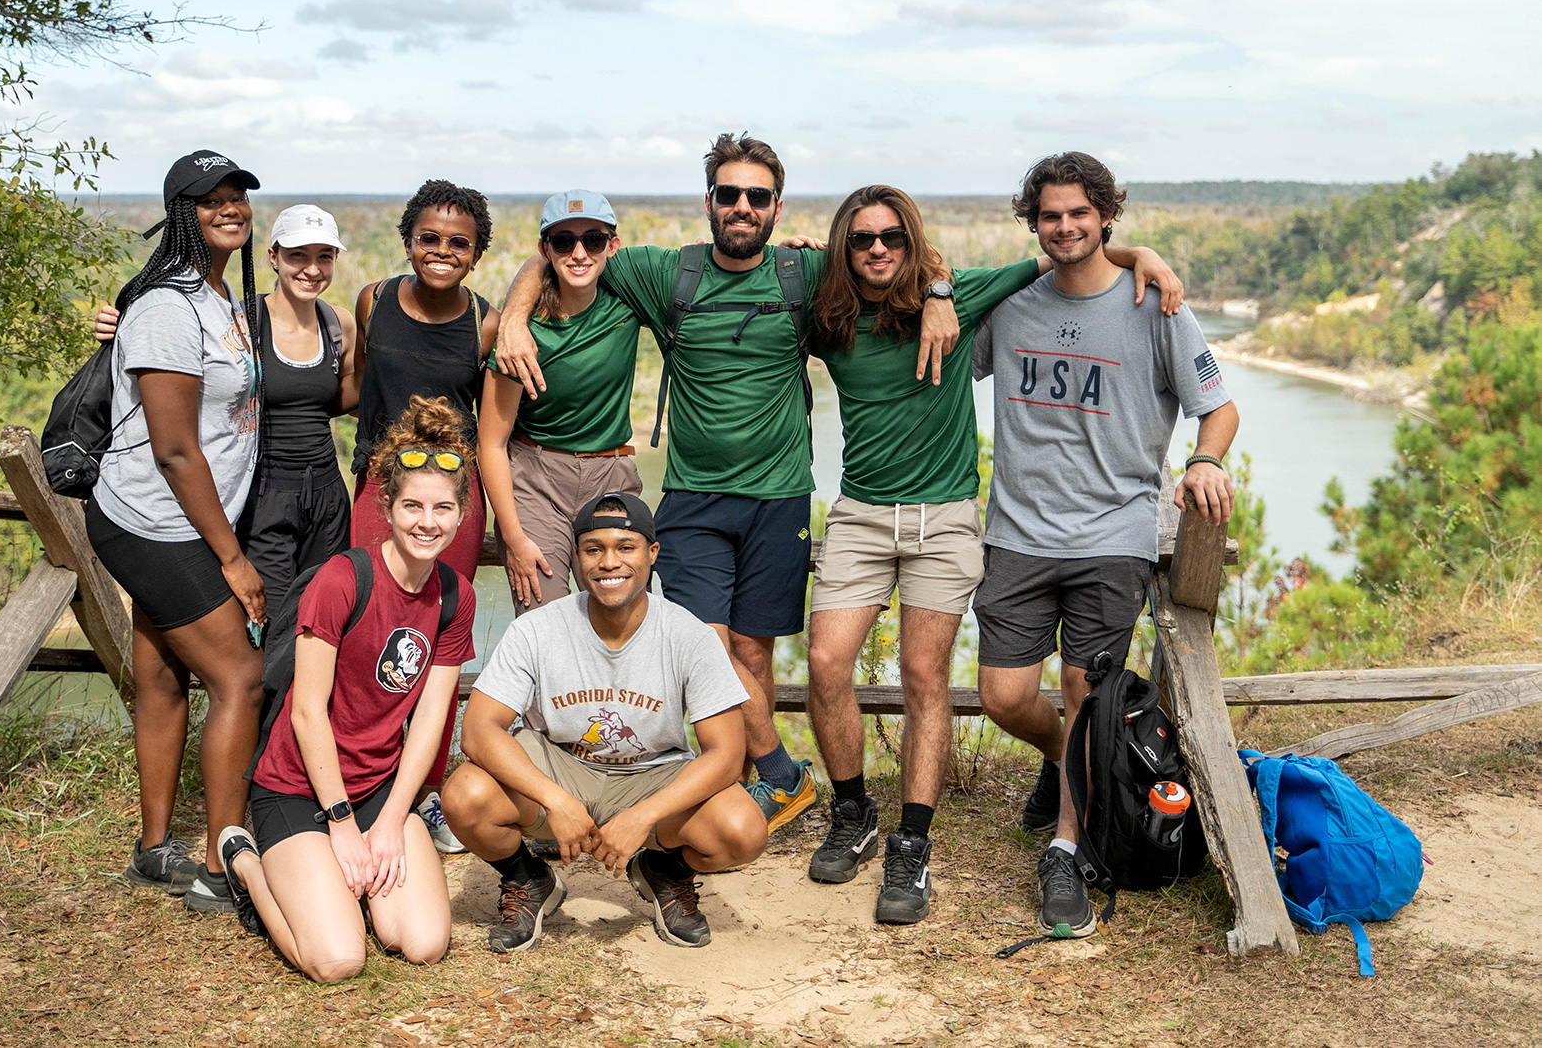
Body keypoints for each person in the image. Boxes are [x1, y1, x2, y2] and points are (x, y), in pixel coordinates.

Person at [494, 133, 962, 836]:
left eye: (757, 196)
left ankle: (742, 792)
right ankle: (780, 773)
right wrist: (512, 318)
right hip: (691, 496)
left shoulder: (803, 274)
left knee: (751, 653)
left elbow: (897, 249)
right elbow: (558, 254)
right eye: (729, 194)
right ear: (708, 201)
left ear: (776, 206)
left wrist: (939, 293)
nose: (742, 207)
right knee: (705, 649)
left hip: (778, 496)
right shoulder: (663, 273)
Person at [802, 185, 1183, 925]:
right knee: (823, 664)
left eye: (891, 237)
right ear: (842, 249)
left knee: (924, 675)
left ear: (913, 243)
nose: (877, 249)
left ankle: (912, 847)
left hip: (945, 517)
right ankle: (854, 811)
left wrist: (1145, 254)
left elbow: (1070, 256)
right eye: (860, 239)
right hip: (859, 511)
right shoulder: (827, 314)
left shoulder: (965, 294)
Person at [971, 152, 1237, 940]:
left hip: (1111, 536)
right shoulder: (1011, 302)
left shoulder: (1154, 304)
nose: (1063, 227)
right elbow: (942, 335)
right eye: (1049, 215)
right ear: (1034, 222)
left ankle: (1066, 848)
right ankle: (1072, 767)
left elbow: (1216, 407)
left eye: (1078, 215)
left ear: (1104, 217)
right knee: (1003, 697)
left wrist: (1204, 459)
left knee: (1089, 694)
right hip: (1017, 531)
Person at [215, 396, 477, 979]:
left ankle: (339, 882)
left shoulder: (456, 597)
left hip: (378, 789)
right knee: (337, 959)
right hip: (300, 788)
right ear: (385, 504)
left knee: (423, 942)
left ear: (461, 515)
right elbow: (306, 713)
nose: (426, 522)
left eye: (441, 508)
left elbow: (431, 721)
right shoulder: (343, 579)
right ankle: (249, 865)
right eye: (412, 505)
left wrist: (389, 822)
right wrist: (340, 823)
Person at [441, 492, 767, 952]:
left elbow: (728, 754)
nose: (609, 562)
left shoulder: (689, 635)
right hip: (563, 765)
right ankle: (527, 878)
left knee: (742, 831)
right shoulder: (537, 628)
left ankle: (665, 870)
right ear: (577, 557)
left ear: (652, 553)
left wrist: (644, 816)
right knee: (465, 796)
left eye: (625, 547)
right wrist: (556, 800)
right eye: (593, 549)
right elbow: (478, 730)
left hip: (654, 772)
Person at [85, 149, 267, 914]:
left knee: (163, 677)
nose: (229, 207)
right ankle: (223, 866)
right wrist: (232, 558)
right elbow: (173, 447)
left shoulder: (222, 297)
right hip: (157, 521)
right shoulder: (168, 304)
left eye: (237, 195)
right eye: (209, 199)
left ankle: (153, 850)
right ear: (180, 214)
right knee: (239, 677)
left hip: (184, 519)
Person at [95, 204, 358, 601]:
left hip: (326, 490)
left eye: (325, 256)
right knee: (267, 620)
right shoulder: (242, 320)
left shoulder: (339, 324)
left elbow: (344, 397)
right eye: (298, 255)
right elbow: (177, 350)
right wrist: (120, 326)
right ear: (273, 257)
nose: (312, 269)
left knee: (325, 615)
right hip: (263, 493)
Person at [352, 179, 500, 854]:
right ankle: (363, 782)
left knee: (439, 642)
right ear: (408, 240)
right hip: (380, 493)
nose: (442, 251)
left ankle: (426, 794)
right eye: (429, 238)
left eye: (458, 242)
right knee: (364, 636)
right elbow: (351, 387)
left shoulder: (486, 320)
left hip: (450, 498)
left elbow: (493, 426)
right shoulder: (373, 301)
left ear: (476, 252)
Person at [478, 190, 642, 616]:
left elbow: (713, 263)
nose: (580, 253)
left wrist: (785, 253)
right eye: (564, 241)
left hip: (611, 473)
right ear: (544, 249)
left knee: (616, 613)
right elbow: (491, 443)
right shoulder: (522, 336)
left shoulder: (629, 300)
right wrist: (512, 538)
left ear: (613, 245)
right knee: (542, 617)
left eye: (594, 239)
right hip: (537, 479)